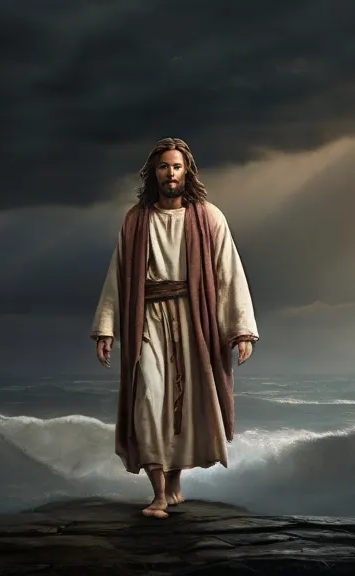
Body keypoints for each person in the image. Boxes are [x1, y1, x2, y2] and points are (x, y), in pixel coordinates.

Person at [90, 137, 259, 518]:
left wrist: (241, 330)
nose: (171, 173)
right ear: (154, 172)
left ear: (187, 171)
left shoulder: (209, 217)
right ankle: (159, 494)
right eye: (164, 166)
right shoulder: (136, 220)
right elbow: (118, 274)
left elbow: (228, 272)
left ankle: (175, 484)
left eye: (177, 166)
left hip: (192, 318)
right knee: (148, 396)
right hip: (147, 317)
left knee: (183, 405)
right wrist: (107, 328)